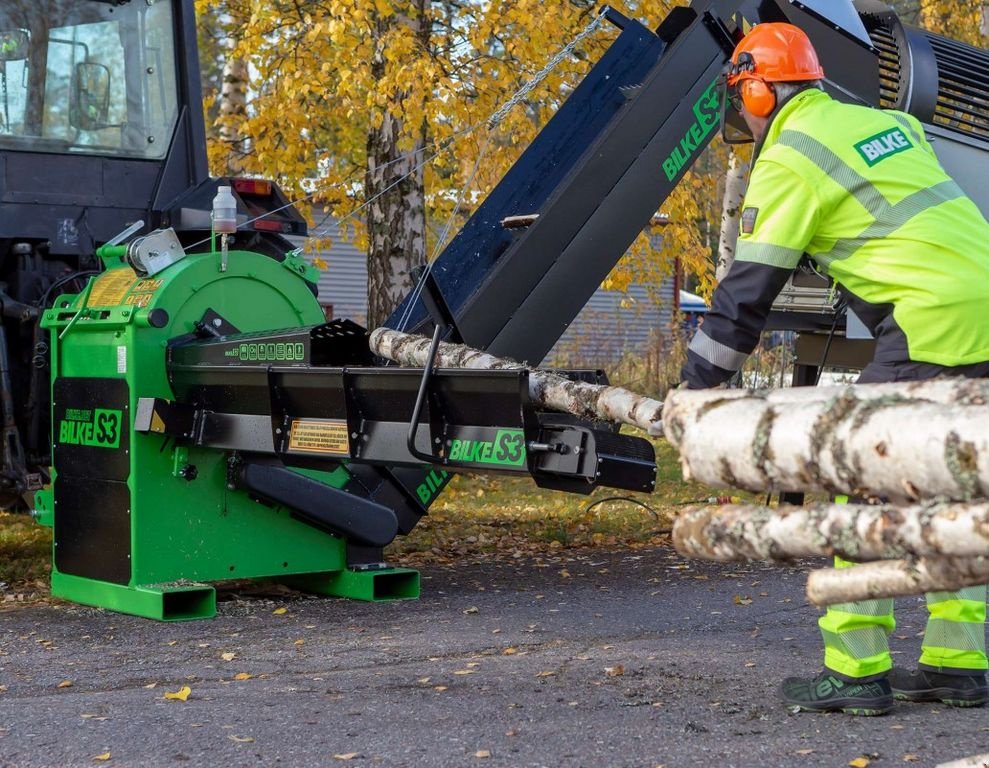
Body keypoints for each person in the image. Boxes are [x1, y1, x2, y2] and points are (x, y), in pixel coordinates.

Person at [679, 22, 989, 716]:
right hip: (982, 307)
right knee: (958, 494)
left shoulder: (792, 154)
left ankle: (855, 672)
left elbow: (743, 296)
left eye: (742, 99)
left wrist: (694, 396)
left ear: (758, 92)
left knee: (860, 487)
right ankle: (956, 664)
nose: (743, 115)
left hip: (927, 322)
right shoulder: (881, 124)